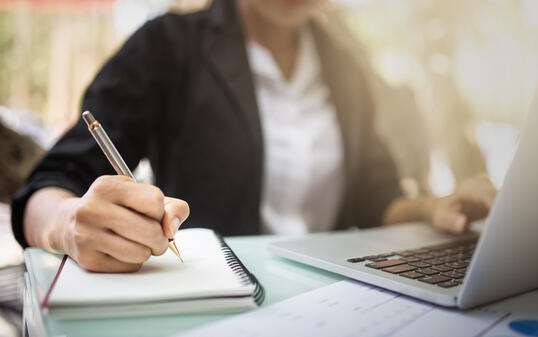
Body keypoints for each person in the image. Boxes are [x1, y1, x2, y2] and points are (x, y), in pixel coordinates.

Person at [11, 0, 496, 273]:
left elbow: (376, 197)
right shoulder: (167, 46)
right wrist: (69, 224)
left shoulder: (346, 65)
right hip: (211, 299)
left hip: (334, 300)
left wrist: (434, 209)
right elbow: (50, 184)